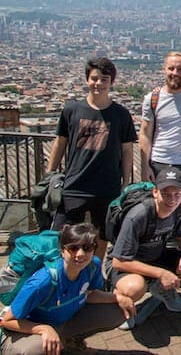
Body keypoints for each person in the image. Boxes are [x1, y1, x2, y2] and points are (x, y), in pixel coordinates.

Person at [46, 57, 136, 261]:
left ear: (111, 82)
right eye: (94, 78)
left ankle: (94, 271)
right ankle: (66, 273)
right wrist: (50, 175)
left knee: (102, 234)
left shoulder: (121, 114)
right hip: (75, 183)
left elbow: (127, 150)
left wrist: (126, 181)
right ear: (87, 80)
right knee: (65, 234)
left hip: (107, 185)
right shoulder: (72, 110)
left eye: (104, 79)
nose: (98, 83)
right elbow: (60, 142)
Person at [0, 223, 135, 354]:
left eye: (87, 247)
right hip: (27, 328)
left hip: (62, 321)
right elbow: (7, 320)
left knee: (118, 310)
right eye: (73, 248)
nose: (81, 254)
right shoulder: (42, 282)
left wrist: (118, 297)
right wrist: (42, 329)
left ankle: (70, 342)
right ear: (62, 250)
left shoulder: (92, 266)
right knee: (36, 348)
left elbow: (89, 294)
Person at [108, 167, 181, 331]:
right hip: (130, 263)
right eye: (166, 194)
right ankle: (120, 303)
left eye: (177, 194)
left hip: (158, 255)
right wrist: (161, 273)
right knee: (134, 287)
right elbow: (119, 261)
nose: (172, 199)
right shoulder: (138, 215)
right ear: (155, 192)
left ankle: (162, 289)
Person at [139, 51, 181, 217]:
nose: (175, 73)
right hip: (159, 160)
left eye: (179, 69)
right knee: (158, 206)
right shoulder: (152, 98)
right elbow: (145, 133)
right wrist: (145, 165)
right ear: (164, 70)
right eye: (171, 68)